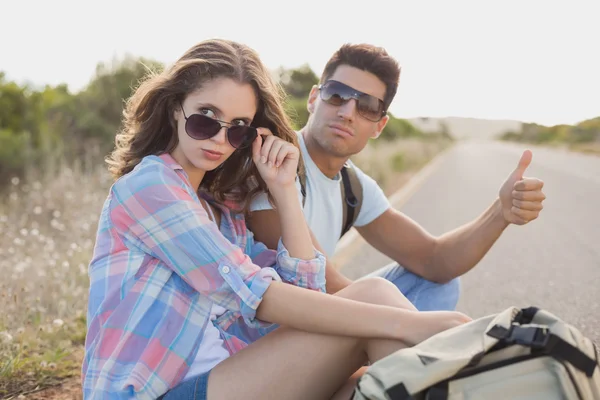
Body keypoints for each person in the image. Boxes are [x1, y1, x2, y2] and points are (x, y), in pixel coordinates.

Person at [82, 39, 471, 400]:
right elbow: (255, 293)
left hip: (233, 377)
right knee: (379, 304)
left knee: (376, 359)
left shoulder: (225, 213)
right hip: (157, 391)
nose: (219, 138)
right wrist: (409, 324)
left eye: (237, 128)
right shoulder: (151, 187)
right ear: (174, 109)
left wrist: (285, 190)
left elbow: (305, 290)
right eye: (206, 118)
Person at [248, 43, 546, 311]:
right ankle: (392, 366)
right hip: (272, 328)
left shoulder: (354, 188)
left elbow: (434, 260)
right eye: (337, 94)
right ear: (315, 98)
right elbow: (320, 285)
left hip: (319, 312)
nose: (348, 112)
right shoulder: (276, 163)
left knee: (438, 281)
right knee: (381, 301)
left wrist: (500, 213)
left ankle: (394, 365)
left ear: (379, 126)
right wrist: (405, 323)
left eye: (367, 106)